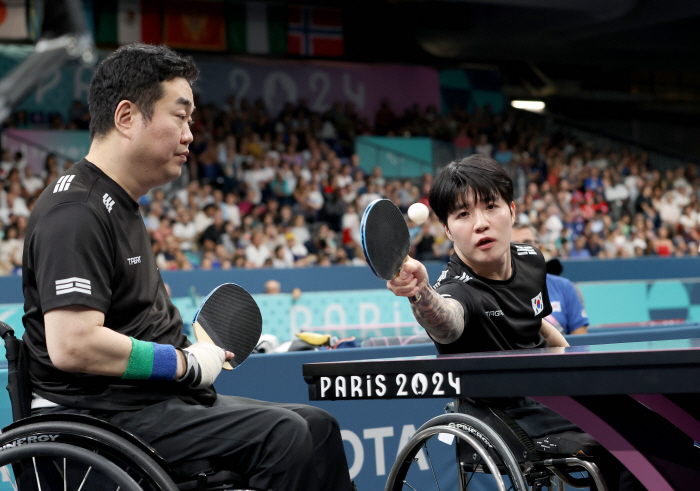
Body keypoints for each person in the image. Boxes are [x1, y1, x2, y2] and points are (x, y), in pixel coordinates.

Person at [21, 44, 353, 491]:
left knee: (318, 426)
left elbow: (134, 322)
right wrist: (182, 363)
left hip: (146, 406)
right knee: (285, 436)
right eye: (180, 116)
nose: (190, 135)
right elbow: (72, 344)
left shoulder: (120, 204)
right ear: (126, 117)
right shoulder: (77, 212)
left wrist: (200, 351)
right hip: (101, 419)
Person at [386, 154, 646, 490]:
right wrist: (419, 293)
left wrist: (577, 367)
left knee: (653, 430)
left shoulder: (532, 260)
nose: (480, 223)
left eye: (490, 206)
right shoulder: (456, 290)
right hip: (507, 420)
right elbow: (446, 321)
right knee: (631, 447)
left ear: (512, 211)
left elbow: (536, 323)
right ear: (447, 229)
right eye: (463, 214)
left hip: (555, 397)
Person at [511, 223, 589, 335]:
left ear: (539, 248)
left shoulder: (564, 286)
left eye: (527, 243)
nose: (521, 249)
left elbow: (581, 342)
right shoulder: (494, 290)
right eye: (514, 245)